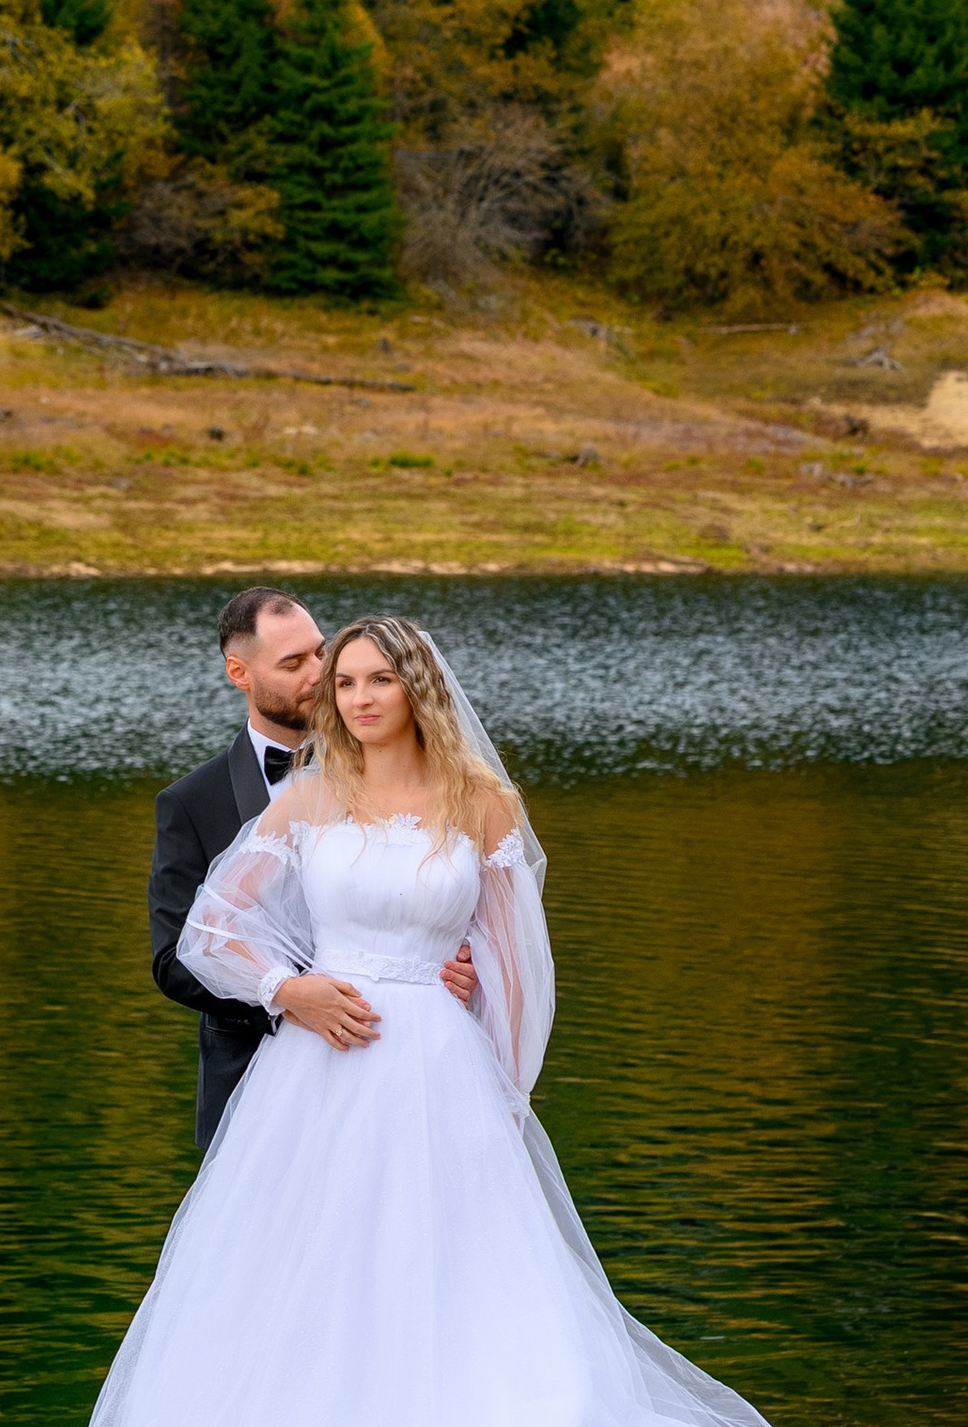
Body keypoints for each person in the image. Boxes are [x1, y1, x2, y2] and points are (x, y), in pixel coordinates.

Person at [98, 613, 770, 1427]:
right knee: (311, 1257)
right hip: (322, 1064)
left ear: (418, 687)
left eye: (379, 679)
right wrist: (288, 990)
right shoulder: (312, 797)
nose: (359, 698)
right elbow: (210, 931)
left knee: (453, 1258)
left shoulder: (482, 803)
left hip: (443, 1065)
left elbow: (516, 964)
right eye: (346, 683)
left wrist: (507, 1091)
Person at [147, 589, 473, 1148]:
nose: (320, 674)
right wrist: (287, 996)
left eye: (321, 652)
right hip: (253, 1081)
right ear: (239, 673)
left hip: (412, 1065)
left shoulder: (406, 771)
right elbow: (174, 957)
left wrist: (462, 965)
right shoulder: (192, 803)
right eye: (293, 663)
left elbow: (442, 902)